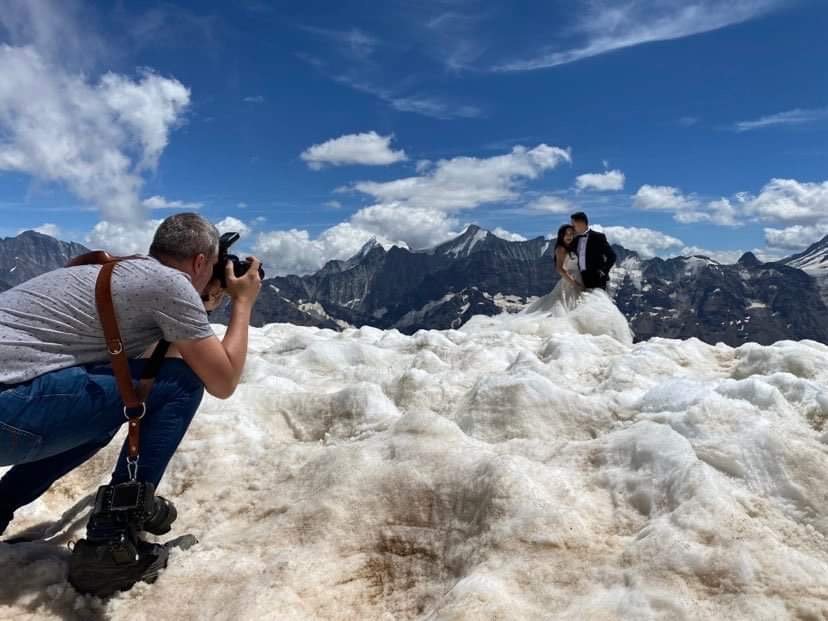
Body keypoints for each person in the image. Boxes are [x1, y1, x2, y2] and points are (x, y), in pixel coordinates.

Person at [0, 212, 262, 593]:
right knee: (182, 384)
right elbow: (221, 380)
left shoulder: (116, 272)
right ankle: (110, 546)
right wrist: (242, 303)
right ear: (201, 262)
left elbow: (155, 358)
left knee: (105, 413)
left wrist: (207, 297)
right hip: (7, 413)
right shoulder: (169, 285)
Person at [525, 224, 583, 315]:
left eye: (571, 234)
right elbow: (559, 268)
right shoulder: (561, 248)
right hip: (570, 282)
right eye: (566, 234)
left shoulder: (571, 248)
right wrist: (574, 283)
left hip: (578, 278)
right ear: (561, 235)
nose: (569, 236)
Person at [570, 211, 616, 290]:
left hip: (597, 279)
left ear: (581, 223)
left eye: (573, 224)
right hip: (580, 279)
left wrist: (603, 271)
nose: (572, 227)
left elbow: (612, 256)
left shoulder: (598, 237)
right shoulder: (575, 240)